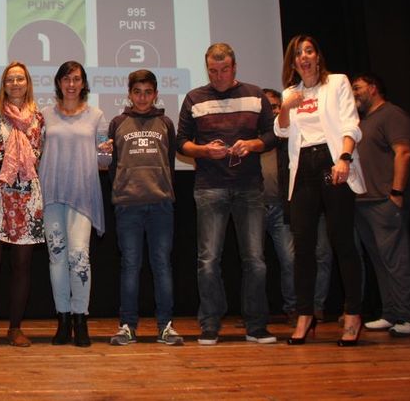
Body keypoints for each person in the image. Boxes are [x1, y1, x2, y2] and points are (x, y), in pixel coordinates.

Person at [177, 43, 277, 345]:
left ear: (234, 67)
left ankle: (256, 325)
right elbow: (181, 143)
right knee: (208, 260)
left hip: (249, 187)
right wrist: (204, 151)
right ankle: (210, 324)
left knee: (255, 260)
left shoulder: (255, 95)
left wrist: (253, 145)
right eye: (213, 70)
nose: (218, 76)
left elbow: (273, 135)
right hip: (210, 187)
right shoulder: (194, 98)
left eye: (224, 70)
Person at [275, 34, 366, 346]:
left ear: (317, 56)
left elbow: (351, 124)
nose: (304, 57)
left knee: (343, 242)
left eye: (309, 51)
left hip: (333, 162)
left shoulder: (337, 82)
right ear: (293, 62)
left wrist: (344, 158)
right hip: (303, 169)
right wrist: (285, 107)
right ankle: (305, 314)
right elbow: (282, 130)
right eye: (298, 53)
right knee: (303, 247)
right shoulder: (291, 93)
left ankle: (353, 314)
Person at [104, 70, 182, 346]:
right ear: (129, 94)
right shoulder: (117, 123)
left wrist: (161, 189)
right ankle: (127, 326)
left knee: (162, 265)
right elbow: (112, 166)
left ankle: (165, 326)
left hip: (161, 205)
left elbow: (169, 162)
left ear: (156, 94)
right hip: (128, 206)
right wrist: (124, 189)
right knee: (130, 265)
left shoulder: (166, 123)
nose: (142, 98)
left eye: (148, 92)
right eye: (137, 92)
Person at [0, 61, 45, 347]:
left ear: (27, 83)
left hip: (26, 195)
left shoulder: (38, 118)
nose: (15, 83)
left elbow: (38, 156)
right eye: (10, 79)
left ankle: (15, 327)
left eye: (20, 79)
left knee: (22, 264)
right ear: (3, 84)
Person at [39, 60, 106, 347]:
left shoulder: (97, 116)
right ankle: (63, 319)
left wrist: (107, 152)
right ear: (58, 82)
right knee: (57, 259)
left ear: (83, 83)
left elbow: (105, 161)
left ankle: (81, 318)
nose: (71, 84)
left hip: (82, 195)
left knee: (79, 257)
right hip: (51, 195)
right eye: (66, 79)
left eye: (76, 79)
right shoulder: (44, 115)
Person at [351, 73, 410, 337]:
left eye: (357, 88)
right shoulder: (362, 121)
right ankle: (390, 313)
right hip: (363, 201)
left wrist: (396, 192)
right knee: (379, 261)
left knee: (396, 260)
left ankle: (407, 316)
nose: (354, 93)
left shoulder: (392, 114)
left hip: (383, 200)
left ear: (373, 88)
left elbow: (404, 152)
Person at [260, 88, 295, 324]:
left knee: (290, 260)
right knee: (254, 263)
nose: (271, 111)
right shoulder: (250, 136)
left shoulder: (290, 136)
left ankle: (293, 309)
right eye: (266, 106)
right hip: (253, 207)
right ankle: (256, 314)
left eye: (274, 106)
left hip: (282, 208)